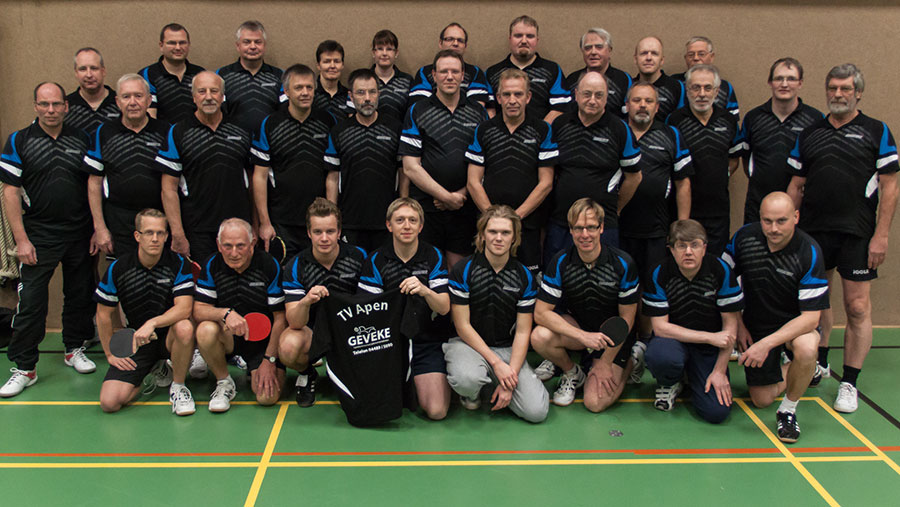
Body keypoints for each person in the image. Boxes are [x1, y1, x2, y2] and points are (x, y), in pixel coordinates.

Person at [786, 63, 899, 413]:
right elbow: (796, 185)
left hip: (857, 234)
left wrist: (881, 235)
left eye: (845, 88)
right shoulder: (810, 133)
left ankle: (849, 382)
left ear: (858, 92)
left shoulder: (877, 131)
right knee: (817, 304)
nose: (838, 94)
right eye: (833, 88)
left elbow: (890, 187)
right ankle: (820, 361)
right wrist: (787, 227)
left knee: (858, 307)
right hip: (813, 233)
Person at [0, 82, 96, 397]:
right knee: (31, 302)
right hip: (39, 234)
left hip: (80, 231)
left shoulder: (82, 138)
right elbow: (10, 192)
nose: (51, 110)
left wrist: (96, 228)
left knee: (79, 294)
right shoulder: (19, 140)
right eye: (44, 104)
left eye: (56, 104)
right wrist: (21, 240)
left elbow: (94, 185)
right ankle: (25, 368)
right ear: (35, 106)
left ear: (66, 106)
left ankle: (74, 348)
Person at [723, 192, 828, 442]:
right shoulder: (744, 238)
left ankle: (788, 410)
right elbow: (724, 281)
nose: (773, 229)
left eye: (781, 221)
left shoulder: (809, 252)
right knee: (761, 399)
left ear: (796, 217)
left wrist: (766, 345)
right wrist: (739, 324)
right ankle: (804, 370)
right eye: (767, 221)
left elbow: (811, 319)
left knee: (807, 347)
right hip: (756, 323)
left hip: (795, 325)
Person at [531, 198, 639, 411]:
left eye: (591, 227)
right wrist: (583, 336)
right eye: (578, 228)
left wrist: (606, 362)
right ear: (571, 230)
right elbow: (541, 313)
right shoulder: (561, 261)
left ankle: (630, 363)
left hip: (614, 337)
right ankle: (573, 372)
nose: (585, 234)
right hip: (581, 331)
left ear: (601, 228)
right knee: (539, 336)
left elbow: (627, 319)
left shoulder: (623, 263)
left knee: (594, 403)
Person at [444, 205, 548, 423]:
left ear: (514, 238)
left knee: (536, 412)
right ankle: (473, 391)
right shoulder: (463, 270)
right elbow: (462, 326)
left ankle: (496, 383)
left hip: (506, 348)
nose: (498, 238)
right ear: (482, 235)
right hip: (468, 344)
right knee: (467, 379)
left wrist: (509, 380)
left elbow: (522, 332)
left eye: (505, 232)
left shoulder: (524, 277)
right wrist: (496, 364)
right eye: (492, 232)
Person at [618, 83, 693, 382]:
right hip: (619, 228)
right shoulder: (618, 131)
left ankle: (645, 345)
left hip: (656, 229)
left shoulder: (671, 134)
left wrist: (681, 228)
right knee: (623, 289)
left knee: (651, 289)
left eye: (648, 101)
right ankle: (624, 345)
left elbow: (683, 183)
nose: (642, 106)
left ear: (657, 107)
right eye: (636, 100)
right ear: (627, 104)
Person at [95, 209, 196, 415]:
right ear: (137, 236)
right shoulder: (118, 268)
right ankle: (153, 370)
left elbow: (184, 308)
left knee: (185, 327)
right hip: (138, 340)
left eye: (160, 233)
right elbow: (103, 314)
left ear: (166, 236)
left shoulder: (178, 263)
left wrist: (153, 323)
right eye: (149, 233)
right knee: (109, 402)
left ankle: (178, 386)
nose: (155, 239)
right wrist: (110, 354)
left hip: (170, 337)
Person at [358, 198, 451, 419]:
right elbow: (367, 314)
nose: (406, 226)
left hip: (426, 343)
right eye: (400, 220)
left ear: (421, 226)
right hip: (388, 345)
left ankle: (436, 382)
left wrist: (425, 291)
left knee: (436, 411)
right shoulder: (376, 260)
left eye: (412, 220)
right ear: (389, 225)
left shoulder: (434, 256)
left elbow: (444, 307)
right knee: (379, 405)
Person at [642, 220, 742, 422]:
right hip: (674, 342)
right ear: (671, 249)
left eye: (694, 245)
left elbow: (730, 329)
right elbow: (660, 328)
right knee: (660, 355)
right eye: (681, 245)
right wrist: (709, 337)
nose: (688, 252)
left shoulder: (720, 270)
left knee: (716, 412)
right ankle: (671, 381)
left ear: (704, 248)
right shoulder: (658, 273)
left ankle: (693, 374)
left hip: (709, 349)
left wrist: (719, 371)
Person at [401, 50, 489, 268]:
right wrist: (445, 196)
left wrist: (460, 195)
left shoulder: (478, 112)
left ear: (463, 75)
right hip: (427, 207)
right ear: (434, 75)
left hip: (465, 206)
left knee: (458, 270)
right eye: (444, 71)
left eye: (455, 71)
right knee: (426, 269)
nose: (449, 77)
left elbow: (486, 163)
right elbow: (410, 167)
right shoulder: (417, 111)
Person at [156, 70, 253, 264]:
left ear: (222, 96)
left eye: (214, 91)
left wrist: (255, 225)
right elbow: (168, 189)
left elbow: (252, 179)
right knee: (202, 281)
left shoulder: (242, 129)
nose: (208, 97)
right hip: (197, 229)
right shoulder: (178, 132)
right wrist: (178, 233)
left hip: (238, 228)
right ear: (193, 97)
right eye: (202, 91)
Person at [466, 69, 556, 274]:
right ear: (498, 98)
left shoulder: (543, 130)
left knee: (527, 279)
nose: (512, 100)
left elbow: (546, 183)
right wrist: (494, 219)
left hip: (528, 224)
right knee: (486, 278)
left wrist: (515, 218)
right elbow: (473, 181)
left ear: (528, 97)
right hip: (489, 226)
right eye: (506, 94)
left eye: (518, 94)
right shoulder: (484, 130)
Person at [544, 70, 641, 260]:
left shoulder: (620, 129)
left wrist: (616, 208)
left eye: (599, 95)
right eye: (587, 94)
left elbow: (635, 177)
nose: (592, 100)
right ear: (576, 95)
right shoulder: (559, 125)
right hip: (562, 221)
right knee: (557, 273)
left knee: (603, 274)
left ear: (606, 98)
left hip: (603, 225)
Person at [193, 218, 287, 412]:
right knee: (205, 330)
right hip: (229, 337)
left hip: (261, 343)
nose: (234, 253)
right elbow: (199, 309)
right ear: (219, 245)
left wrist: (269, 360)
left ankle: (255, 368)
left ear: (252, 243)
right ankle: (224, 382)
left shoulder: (268, 265)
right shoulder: (212, 264)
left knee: (266, 398)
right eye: (227, 246)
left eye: (240, 246)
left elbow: (280, 318)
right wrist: (225, 313)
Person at [279, 199, 366, 407]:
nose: (324, 238)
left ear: (339, 232)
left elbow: (369, 305)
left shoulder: (359, 257)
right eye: (318, 232)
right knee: (288, 347)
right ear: (309, 233)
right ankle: (307, 373)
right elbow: (295, 322)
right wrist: (306, 301)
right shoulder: (296, 266)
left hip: (352, 331)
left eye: (330, 231)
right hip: (314, 333)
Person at [252, 64, 337, 260]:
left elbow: (333, 174)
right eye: (298, 88)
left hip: (319, 221)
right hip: (282, 221)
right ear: (287, 91)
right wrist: (265, 223)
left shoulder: (328, 121)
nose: (305, 92)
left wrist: (332, 219)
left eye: (309, 87)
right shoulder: (270, 124)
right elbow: (259, 176)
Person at [84, 74, 170, 259]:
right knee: (123, 273)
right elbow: (94, 183)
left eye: (138, 96)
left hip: (159, 221)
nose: (132, 102)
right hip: (119, 222)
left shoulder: (166, 131)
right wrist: (100, 228)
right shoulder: (103, 132)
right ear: (117, 101)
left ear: (149, 100)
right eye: (126, 96)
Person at [667, 64, 744, 256]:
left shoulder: (728, 121)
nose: (702, 94)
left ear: (716, 91)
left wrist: (718, 176)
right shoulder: (674, 121)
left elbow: (734, 160)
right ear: (687, 90)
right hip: (683, 210)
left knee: (716, 263)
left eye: (707, 88)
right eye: (696, 87)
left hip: (718, 210)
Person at [325, 68, 402, 252]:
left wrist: (402, 209)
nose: (367, 98)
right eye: (361, 92)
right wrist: (332, 218)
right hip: (350, 221)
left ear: (379, 94)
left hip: (387, 221)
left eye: (372, 92)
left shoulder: (395, 128)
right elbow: (332, 178)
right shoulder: (339, 131)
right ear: (351, 96)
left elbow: (403, 172)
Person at [741, 58, 822, 224]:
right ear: (770, 82)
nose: (784, 84)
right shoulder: (753, 118)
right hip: (758, 205)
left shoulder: (815, 120)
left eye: (791, 79)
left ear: (800, 83)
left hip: (800, 209)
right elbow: (746, 159)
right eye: (779, 78)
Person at [486, 15, 570, 123]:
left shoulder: (552, 70)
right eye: (518, 36)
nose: (524, 41)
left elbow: (560, 108)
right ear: (510, 39)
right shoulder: (492, 73)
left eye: (530, 36)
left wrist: (540, 130)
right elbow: (489, 109)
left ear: (537, 40)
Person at [216, 20, 285, 133]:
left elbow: (286, 112)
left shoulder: (280, 76)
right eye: (247, 42)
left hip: (269, 141)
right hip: (233, 140)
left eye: (258, 42)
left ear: (264, 45)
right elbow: (217, 112)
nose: (253, 47)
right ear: (238, 46)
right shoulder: (221, 75)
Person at [408, 23, 491, 109]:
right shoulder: (424, 72)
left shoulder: (475, 72)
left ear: (465, 46)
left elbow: (476, 109)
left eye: (460, 40)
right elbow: (420, 108)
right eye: (449, 39)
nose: (455, 43)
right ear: (440, 43)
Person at [139, 23, 205, 125]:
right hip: (163, 134)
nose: (178, 47)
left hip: (195, 133)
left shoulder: (200, 74)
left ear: (188, 45)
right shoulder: (148, 75)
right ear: (161, 46)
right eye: (172, 43)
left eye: (182, 42)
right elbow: (150, 117)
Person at [564, 28, 632, 119]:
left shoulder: (623, 79)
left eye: (599, 47)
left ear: (609, 50)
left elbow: (630, 114)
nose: (593, 52)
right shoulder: (572, 80)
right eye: (588, 48)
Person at [673, 37, 739, 116]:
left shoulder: (725, 87)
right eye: (691, 55)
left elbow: (732, 119)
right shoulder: (674, 83)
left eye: (701, 54)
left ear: (712, 57)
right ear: (685, 58)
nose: (696, 58)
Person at [66, 48, 121, 133]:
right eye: (83, 69)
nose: (89, 75)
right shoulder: (66, 106)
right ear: (76, 73)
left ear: (103, 71)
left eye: (94, 68)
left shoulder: (120, 102)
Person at [632, 36, 686, 121]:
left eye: (654, 53)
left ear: (662, 60)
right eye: (644, 53)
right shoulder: (629, 85)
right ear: (635, 59)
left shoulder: (676, 87)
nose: (649, 58)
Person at [369, 29, 413, 122]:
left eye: (389, 49)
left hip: (399, 130)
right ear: (373, 53)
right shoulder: (363, 80)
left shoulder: (407, 81)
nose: (384, 53)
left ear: (396, 53)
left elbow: (412, 114)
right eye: (380, 49)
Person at [312, 40, 354, 118]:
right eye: (327, 61)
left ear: (342, 65)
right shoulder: (310, 94)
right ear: (318, 65)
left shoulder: (349, 96)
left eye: (336, 61)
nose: (332, 66)